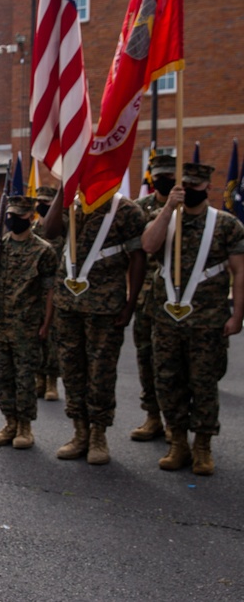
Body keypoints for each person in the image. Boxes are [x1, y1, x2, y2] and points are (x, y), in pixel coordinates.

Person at [140, 162, 244, 475]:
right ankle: (178, 443)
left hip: (208, 319)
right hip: (167, 317)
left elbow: (240, 272)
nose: (192, 191)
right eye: (186, 185)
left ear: (207, 188)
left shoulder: (226, 224)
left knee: (204, 383)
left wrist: (238, 315)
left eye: (197, 186)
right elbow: (147, 245)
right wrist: (168, 209)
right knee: (169, 382)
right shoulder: (167, 220)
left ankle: (203, 446)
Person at [42, 188, 146, 465]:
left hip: (105, 306)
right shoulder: (72, 206)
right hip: (67, 306)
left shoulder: (127, 210)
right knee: (72, 371)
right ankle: (80, 433)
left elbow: (138, 258)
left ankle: (99, 435)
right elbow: (49, 231)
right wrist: (64, 187)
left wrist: (130, 303)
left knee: (101, 373)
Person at [0, 195, 57, 449]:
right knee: (0, 376)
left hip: (26, 326)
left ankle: (25, 427)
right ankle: (10, 422)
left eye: (19, 217)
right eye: (10, 216)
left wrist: (46, 323)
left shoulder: (43, 251)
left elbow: (49, 292)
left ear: (31, 217)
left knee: (25, 379)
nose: (13, 220)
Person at [130, 154, 177, 442]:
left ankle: (176, 422)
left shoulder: (191, 209)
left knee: (175, 365)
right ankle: (152, 416)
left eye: (169, 176)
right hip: (147, 298)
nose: (163, 180)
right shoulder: (139, 209)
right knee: (146, 359)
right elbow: (138, 255)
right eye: (158, 175)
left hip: (179, 299)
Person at [32, 185, 65, 401]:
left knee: (52, 337)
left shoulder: (62, 228)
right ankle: (39, 379)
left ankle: (52, 381)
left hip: (58, 290)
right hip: (36, 292)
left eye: (46, 203)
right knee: (35, 336)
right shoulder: (33, 229)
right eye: (39, 202)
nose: (41, 206)